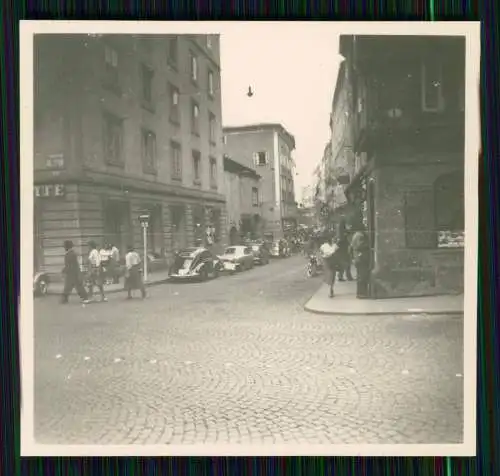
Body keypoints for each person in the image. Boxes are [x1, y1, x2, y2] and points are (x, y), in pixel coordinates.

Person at [61, 240, 89, 304]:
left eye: (64, 246)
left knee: (71, 287)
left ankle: (85, 298)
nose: (64, 247)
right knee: (75, 287)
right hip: (73, 273)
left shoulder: (69, 254)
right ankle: (84, 298)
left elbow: (69, 265)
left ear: (67, 246)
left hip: (72, 274)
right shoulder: (72, 253)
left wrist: (64, 271)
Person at [350, 228, 371, 298]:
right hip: (361, 258)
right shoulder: (360, 236)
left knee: (360, 275)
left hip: (357, 258)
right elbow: (360, 245)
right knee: (362, 276)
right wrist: (368, 245)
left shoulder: (355, 235)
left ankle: (361, 293)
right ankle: (362, 293)